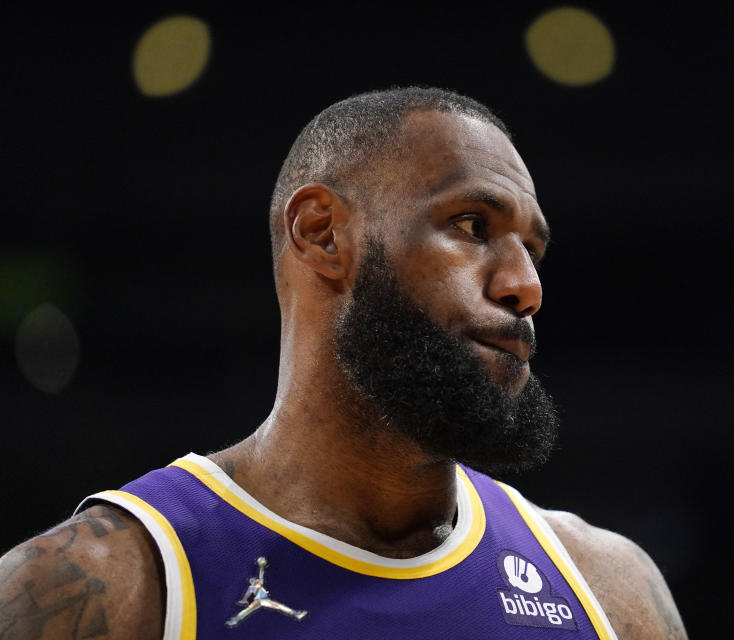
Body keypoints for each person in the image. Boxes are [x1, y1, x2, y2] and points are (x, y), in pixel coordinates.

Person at [0, 87, 687, 639]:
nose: (525, 287)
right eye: (473, 226)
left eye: (532, 250)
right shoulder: (107, 585)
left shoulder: (608, 591)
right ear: (322, 234)